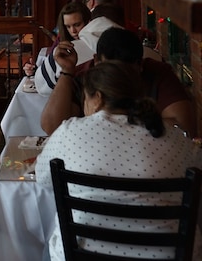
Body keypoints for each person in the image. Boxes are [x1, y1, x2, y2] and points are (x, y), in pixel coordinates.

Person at [35, 60, 202, 260]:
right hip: (169, 255)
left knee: (48, 244)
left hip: (81, 254)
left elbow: (43, 178)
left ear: (97, 98)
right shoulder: (177, 139)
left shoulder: (69, 132)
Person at [40, 26, 197, 137]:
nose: (117, 78)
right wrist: (67, 71)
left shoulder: (158, 73)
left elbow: (184, 127)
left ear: (140, 65)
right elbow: (52, 127)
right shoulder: (82, 75)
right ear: (96, 61)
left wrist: (110, 125)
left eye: (125, 72)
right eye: (109, 70)